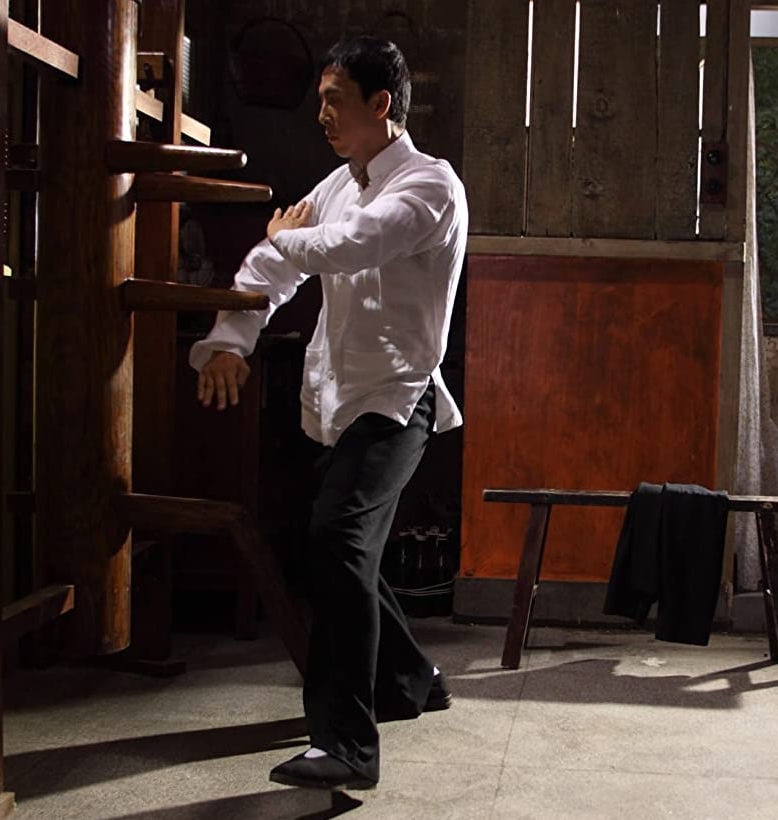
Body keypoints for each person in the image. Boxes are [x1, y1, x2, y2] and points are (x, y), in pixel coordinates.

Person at [189, 35, 467, 791]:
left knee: (338, 540)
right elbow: (271, 263)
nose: (322, 116)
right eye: (319, 100)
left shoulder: (431, 185)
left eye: (335, 101)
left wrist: (289, 237)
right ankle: (412, 679)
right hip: (334, 402)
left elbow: (351, 245)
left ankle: (346, 745)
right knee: (335, 545)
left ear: (382, 104)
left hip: (397, 400)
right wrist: (231, 341)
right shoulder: (338, 185)